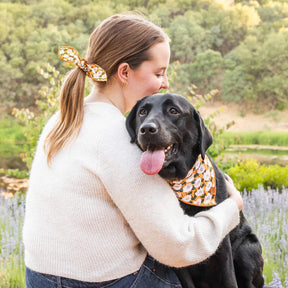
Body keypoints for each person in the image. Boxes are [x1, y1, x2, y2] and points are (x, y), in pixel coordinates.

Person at [23, 13, 243, 288]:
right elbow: (178, 246)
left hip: (40, 277)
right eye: (159, 73)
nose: (165, 83)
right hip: (103, 282)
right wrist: (231, 208)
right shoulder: (119, 139)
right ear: (125, 72)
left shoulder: (63, 118)